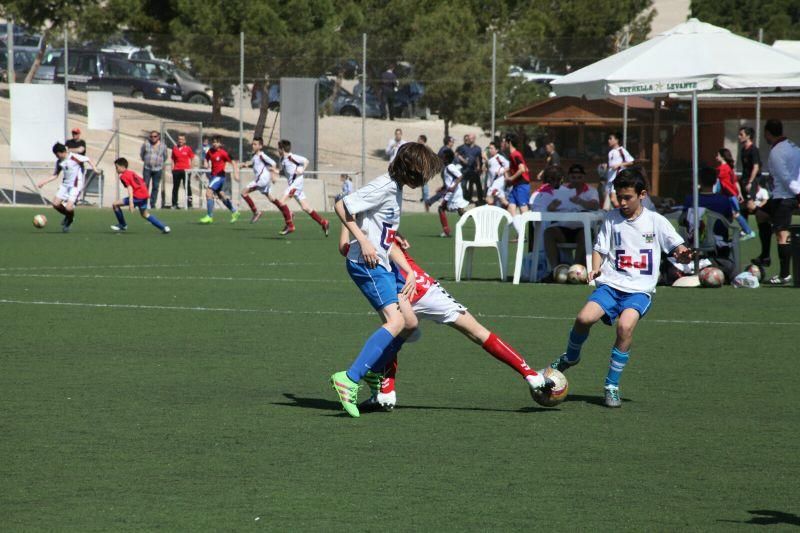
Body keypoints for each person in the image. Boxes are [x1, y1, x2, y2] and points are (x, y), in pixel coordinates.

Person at [343, 231, 550, 411]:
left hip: (406, 289)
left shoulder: (377, 224)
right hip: (418, 289)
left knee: (397, 332)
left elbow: (362, 246)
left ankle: (385, 390)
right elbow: (348, 247)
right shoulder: (374, 224)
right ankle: (530, 375)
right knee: (472, 332)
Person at [549, 168, 693, 407]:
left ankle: (611, 385)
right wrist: (595, 268)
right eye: (619, 197)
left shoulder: (656, 221)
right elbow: (599, 248)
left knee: (625, 327)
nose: (622, 202)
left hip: (640, 290)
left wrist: (684, 255)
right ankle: (571, 357)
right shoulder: (612, 219)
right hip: (612, 285)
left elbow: (677, 248)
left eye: (628, 197)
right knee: (583, 318)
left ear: (642, 194)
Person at [329, 142, 443, 418]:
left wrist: (409, 270)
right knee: (396, 322)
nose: (426, 179)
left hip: (384, 264)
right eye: (425, 173)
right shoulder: (384, 186)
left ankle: (373, 370)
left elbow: (386, 238)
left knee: (410, 323)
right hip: (367, 265)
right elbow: (342, 206)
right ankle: (350, 378)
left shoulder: (397, 189)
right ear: (412, 170)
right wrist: (363, 241)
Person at [759, 119, 800, 285]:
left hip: (784, 197)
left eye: (765, 134)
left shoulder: (777, 151)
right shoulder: (793, 146)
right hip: (779, 195)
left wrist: (798, 194)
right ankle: (765, 255)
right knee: (761, 214)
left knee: (782, 235)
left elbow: (785, 177)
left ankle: (784, 275)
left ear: (768, 133)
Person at [544, 164, 600, 272]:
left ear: (584, 177)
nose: (576, 180)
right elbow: (550, 208)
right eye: (573, 177)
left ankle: (575, 269)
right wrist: (552, 206)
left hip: (581, 229)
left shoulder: (591, 191)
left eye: (579, 177)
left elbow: (595, 205)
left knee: (585, 233)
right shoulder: (561, 190)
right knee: (549, 232)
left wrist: (581, 202)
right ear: (569, 177)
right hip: (563, 228)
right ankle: (555, 269)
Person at [36, 143, 96, 233]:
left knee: (68, 208)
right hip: (65, 185)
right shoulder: (59, 162)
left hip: (75, 185)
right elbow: (55, 175)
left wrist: (95, 169)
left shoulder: (74, 157)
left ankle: (69, 221)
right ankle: (69, 217)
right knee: (55, 204)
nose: (56, 156)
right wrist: (44, 182)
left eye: (57, 154)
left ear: (62, 152)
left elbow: (88, 159)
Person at [276, 139, 330, 236]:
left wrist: (302, 170)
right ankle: (323, 222)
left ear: (282, 149)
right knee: (305, 207)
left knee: (281, 202)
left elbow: (306, 161)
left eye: (278, 148)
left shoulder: (292, 157)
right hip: (294, 185)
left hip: (296, 184)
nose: (277, 150)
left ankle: (290, 224)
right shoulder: (282, 160)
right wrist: (274, 171)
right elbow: (284, 172)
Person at [239, 137, 293, 226]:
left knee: (243, 193)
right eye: (252, 144)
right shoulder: (255, 156)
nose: (253, 146)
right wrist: (244, 165)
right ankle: (288, 212)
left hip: (261, 180)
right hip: (263, 181)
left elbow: (273, 163)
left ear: (260, 146)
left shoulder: (261, 155)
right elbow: (251, 163)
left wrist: (274, 175)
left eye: (255, 144)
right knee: (272, 199)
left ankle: (256, 212)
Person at [739, 126, 772, 264]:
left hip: (752, 180)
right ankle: (746, 230)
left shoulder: (754, 150)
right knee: (744, 206)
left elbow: (756, 166)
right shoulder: (743, 150)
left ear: (748, 136)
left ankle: (749, 232)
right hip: (745, 179)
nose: (739, 136)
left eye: (741, 134)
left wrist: (751, 181)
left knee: (751, 206)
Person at [110, 158, 170, 234]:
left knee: (115, 204)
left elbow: (130, 188)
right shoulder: (132, 173)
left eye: (117, 167)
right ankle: (164, 227)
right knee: (145, 214)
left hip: (137, 196)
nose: (116, 169)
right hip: (144, 195)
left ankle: (122, 224)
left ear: (122, 167)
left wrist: (131, 203)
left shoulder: (123, 176)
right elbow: (141, 181)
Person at [715, 148, 755, 240]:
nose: (716, 157)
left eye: (717, 155)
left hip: (728, 196)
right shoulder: (729, 168)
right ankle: (723, 235)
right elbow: (735, 182)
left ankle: (748, 231)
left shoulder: (722, 169)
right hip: (731, 195)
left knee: (734, 214)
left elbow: (717, 183)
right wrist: (739, 193)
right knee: (729, 215)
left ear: (722, 157)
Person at [199, 136, 240, 224]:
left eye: (216, 142)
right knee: (221, 195)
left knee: (208, 192)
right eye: (213, 142)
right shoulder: (210, 151)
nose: (214, 144)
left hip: (219, 176)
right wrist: (205, 163)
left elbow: (233, 162)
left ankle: (209, 216)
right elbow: (206, 158)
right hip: (214, 176)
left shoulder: (223, 153)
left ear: (220, 144)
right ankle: (234, 211)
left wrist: (235, 174)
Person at [502, 133, 532, 236]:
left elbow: (522, 169)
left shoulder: (516, 154)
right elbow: (525, 168)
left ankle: (534, 232)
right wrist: (507, 170)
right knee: (511, 209)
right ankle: (521, 234)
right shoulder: (512, 155)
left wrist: (511, 178)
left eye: (504, 141)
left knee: (525, 212)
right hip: (516, 186)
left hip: (522, 185)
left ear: (509, 142)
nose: (503, 143)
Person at [436, 148, 469, 238]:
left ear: (446, 159)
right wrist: (443, 187)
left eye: (442, 157)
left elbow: (460, 176)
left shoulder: (450, 167)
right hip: (453, 192)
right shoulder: (447, 167)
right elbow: (450, 180)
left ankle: (446, 231)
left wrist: (453, 187)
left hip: (453, 193)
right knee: (461, 212)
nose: (441, 159)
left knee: (441, 208)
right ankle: (475, 216)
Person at [139, 130, 168, 209]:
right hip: (147, 168)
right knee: (145, 186)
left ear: (158, 137)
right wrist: (146, 160)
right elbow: (142, 154)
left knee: (155, 186)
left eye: (155, 136)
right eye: (151, 136)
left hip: (158, 169)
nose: (153, 138)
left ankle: (153, 204)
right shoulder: (146, 144)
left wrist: (159, 162)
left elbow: (165, 156)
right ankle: (143, 203)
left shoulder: (163, 146)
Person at [605, 132, 634, 209]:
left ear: (617, 140)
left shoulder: (621, 150)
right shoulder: (610, 152)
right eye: (608, 139)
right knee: (608, 200)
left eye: (611, 138)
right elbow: (611, 165)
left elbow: (631, 161)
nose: (609, 140)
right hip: (610, 179)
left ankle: (622, 213)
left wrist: (619, 165)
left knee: (614, 199)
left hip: (617, 179)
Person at [456, 133, 484, 205]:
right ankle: (466, 199)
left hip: (474, 171)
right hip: (465, 170)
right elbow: (457, 154)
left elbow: (479, 159)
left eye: (470, 138)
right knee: (463, 185)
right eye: (468, 138)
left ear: (474, 139)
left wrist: (479, 167)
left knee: (478, 185)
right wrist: (462, 160)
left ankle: (480, 200)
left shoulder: (478, 149)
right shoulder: (464, 147)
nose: (469, 139)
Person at [170, 133, 195, 209]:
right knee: (175, 187)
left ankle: (189, 204)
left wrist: (191, 169)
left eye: (182, 139)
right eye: (179, 139)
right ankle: (174, 204)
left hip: (186, 171)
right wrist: (172, 168)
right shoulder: (174, 148)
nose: (180, 141)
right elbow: (172, 159)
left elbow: (192, 158)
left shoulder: (188, 149)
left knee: (187, 187)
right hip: (176, 170)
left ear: (185, 141)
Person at [485, 140, 510, 208]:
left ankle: (507, 205)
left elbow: (508, 166)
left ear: (497, 150)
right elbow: (490, 167)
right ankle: (508, 206)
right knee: (490, 199)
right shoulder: (491, 158)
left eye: (491, 148)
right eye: (489, 148)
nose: (490, 150)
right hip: (492, 182)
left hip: (498, 180)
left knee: (490, 196)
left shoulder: (499, 157)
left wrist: (501, 171)